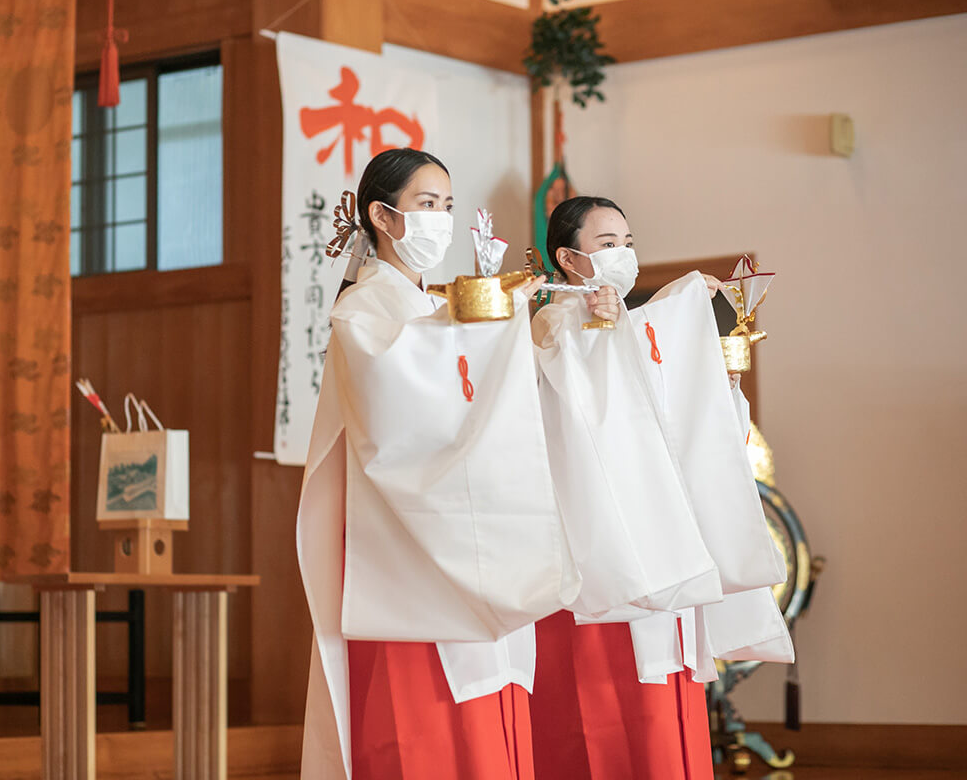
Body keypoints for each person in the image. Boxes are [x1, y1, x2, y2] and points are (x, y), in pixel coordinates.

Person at [296, 148, 579, 780]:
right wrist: (489, 326)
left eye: (449, 206)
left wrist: (498, 322)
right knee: (425, 736)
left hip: (466, 536)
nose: (442, 220)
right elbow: (401, 414)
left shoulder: (437, 308)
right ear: (383, 216)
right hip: (405, 554)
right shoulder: (364, 312)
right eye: (427, 205)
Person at [528, 196, 793, 779]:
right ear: (569, 259)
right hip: (606, 535)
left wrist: (712, 366)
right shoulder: (554, 320)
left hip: (664, 525)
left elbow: (675, 406)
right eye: (606, 245)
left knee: (666, 699)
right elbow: (584, 411)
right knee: (603, 709)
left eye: (627, 242)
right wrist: (600, 329)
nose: (623, 255)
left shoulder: (632, 320)